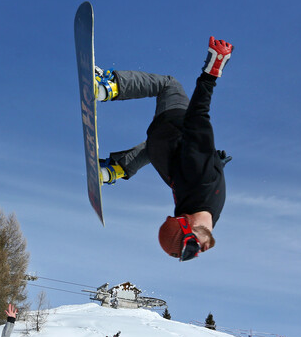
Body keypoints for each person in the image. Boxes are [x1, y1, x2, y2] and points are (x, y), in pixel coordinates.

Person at [96, 36, 234, 261]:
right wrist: (216, 163)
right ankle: (115, 169)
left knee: (169, 84)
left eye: (192, 247)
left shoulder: (201, 178)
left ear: (186, 223)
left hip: (171, 131)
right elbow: (200, 179)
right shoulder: (204, 215)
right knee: (163, 151)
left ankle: (107, 87)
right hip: (162, 155)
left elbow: (197, 117)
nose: (199, 252)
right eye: (190, 254)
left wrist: (211, 74)